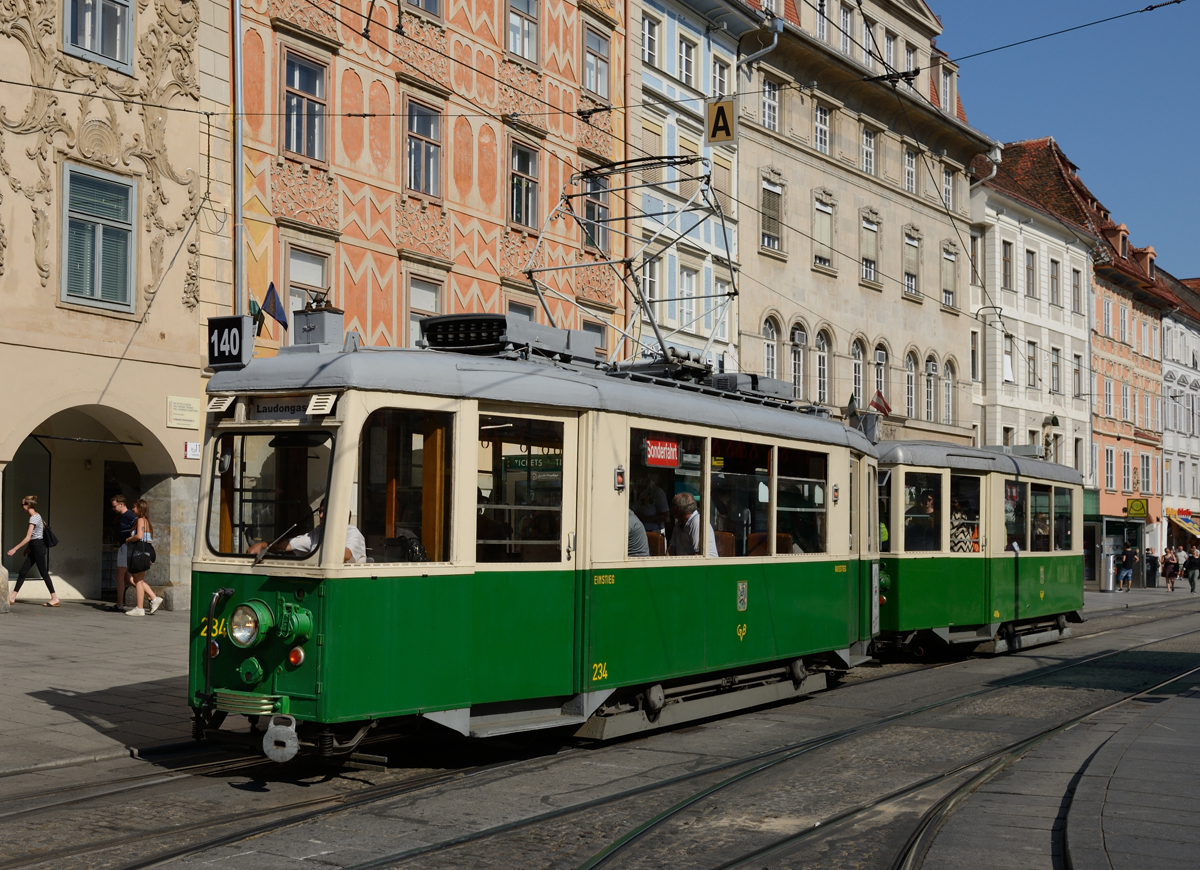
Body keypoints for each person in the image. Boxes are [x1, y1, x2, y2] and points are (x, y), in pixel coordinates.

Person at [247, 501, 366, 563]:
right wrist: (263, 545)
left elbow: (346, 555)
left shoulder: (352, 533)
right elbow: (288, 544)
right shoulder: (318, 532)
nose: (320, 515)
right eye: (319, 511)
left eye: (324, 512)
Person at [6, 495, 59, 607]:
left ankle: (54, 598)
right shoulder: (38, 516)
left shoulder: (33, 518)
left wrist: (14, 549)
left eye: (23, 505)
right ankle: (12, 597)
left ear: (28, 505)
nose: (22, 507)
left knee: (43, 573)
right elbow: (37, 534)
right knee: (23, 572)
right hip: (35, 547)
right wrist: (28, 548)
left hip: (38, 547)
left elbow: (28, 537)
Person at [124, 499, 164, 616]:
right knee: (138, 580)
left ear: (140, 508)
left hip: (140, 553)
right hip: (147, 552)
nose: (132, 509)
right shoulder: (147, 522)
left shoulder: (141, 520)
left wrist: (129, 539)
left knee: (138, 581)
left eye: (135, 507)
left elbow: (139, 536)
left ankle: (140, 608)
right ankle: (153, 599)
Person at [109, 495, 138, 611]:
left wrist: (130, 539)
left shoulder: (129, 515)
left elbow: (138, 524)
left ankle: (120, 604)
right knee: (128, 578)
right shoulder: (125, 516)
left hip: (126, 547)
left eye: (114, 506)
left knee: (120, 575)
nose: (113, 508)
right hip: (125, 546)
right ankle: (152, 596)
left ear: (121, 504)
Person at [668, 492, 718, 558]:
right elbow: (671, 549)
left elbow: (698, 557)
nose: (670, 509)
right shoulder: (679, 523)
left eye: (672, 506)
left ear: (678, 508)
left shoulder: (697, 523)